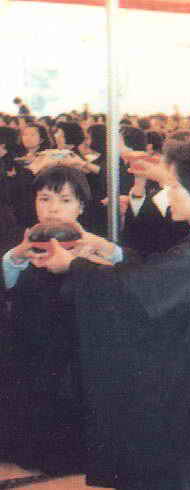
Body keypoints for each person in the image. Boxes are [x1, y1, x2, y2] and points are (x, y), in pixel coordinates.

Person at [39, 140, 190, 489]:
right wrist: (110, 251)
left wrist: (74, 266)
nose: (168, 194)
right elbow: (157, 273)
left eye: (174, 187)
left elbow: (138, 290)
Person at [1, 166, 126, 474]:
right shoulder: (20, 247)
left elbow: (132, 275)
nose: (53, 208)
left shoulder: (98, 247)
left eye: (65, 200)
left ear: (81, 206)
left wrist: (104, 254)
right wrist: (13, 260)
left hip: (76, 363)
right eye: (44, 199)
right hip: (31, 359)